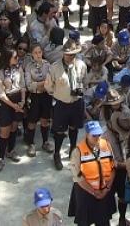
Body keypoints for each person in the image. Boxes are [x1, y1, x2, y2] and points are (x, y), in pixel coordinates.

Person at [46, 39, 88, 170]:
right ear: (63, 53)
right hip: (62, 104)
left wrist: (81, 90)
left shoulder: (81, 65)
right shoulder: (55, 67)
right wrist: (59, 94)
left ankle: (72, 150)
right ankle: (57, 154)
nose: (70, 57)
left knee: (74, 128)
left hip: (76, 103)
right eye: (68, 54)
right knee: (59, 131)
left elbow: (85, 81)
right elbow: (48, 86)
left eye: (73, 54)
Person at [68, 120, 117, 226]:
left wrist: (107, 189)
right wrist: (94, 192)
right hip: (85, 192)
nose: (97, 137)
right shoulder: (78, 151)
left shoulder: (106, 145)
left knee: (104, 222)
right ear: (87, 134)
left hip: (104, 191)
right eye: (94, 135)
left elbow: (113, 168)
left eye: (99, 134)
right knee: (84, 222)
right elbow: (78, 178)